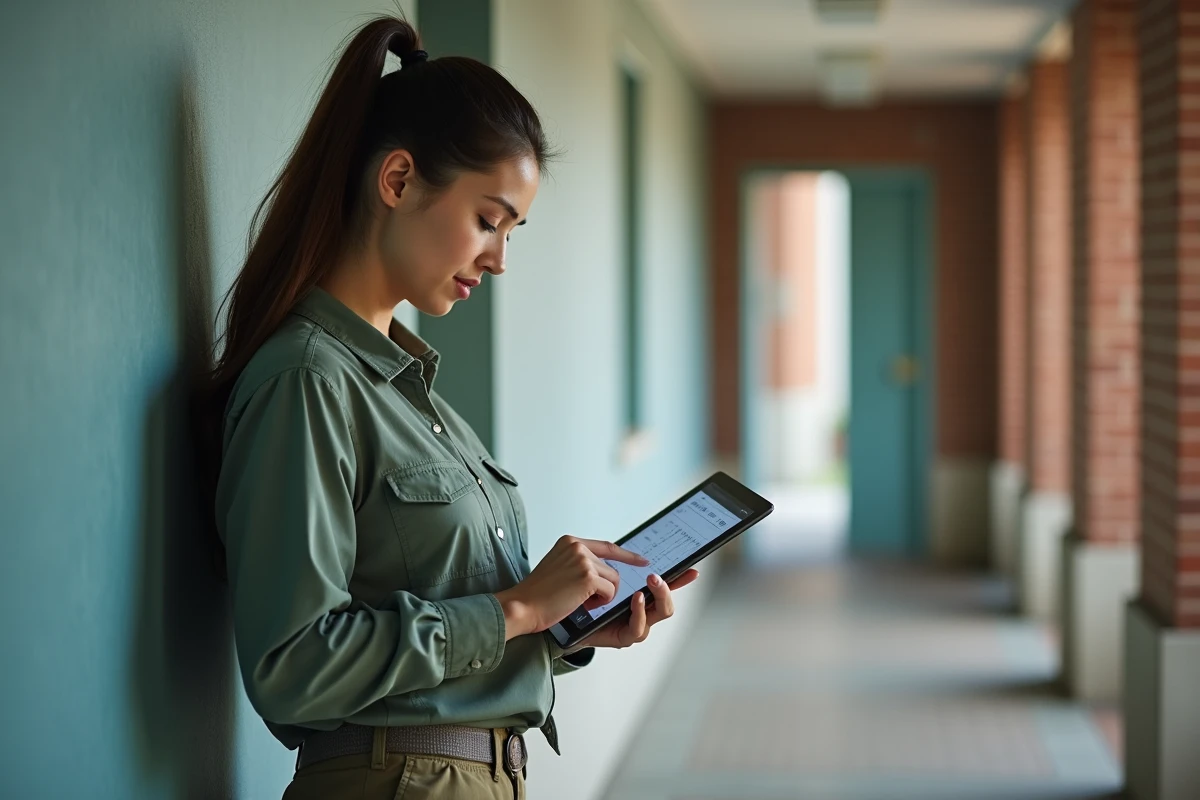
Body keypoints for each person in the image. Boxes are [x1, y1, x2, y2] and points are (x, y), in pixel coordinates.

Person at [202, 15, 700, 800]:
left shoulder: (412, 394)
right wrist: (519, 607)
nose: (500, 259)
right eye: (488, 221)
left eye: (513, 231)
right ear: (397, 181)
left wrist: (561, 629)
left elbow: (450, 622)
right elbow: (291, 667)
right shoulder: (308, 381)